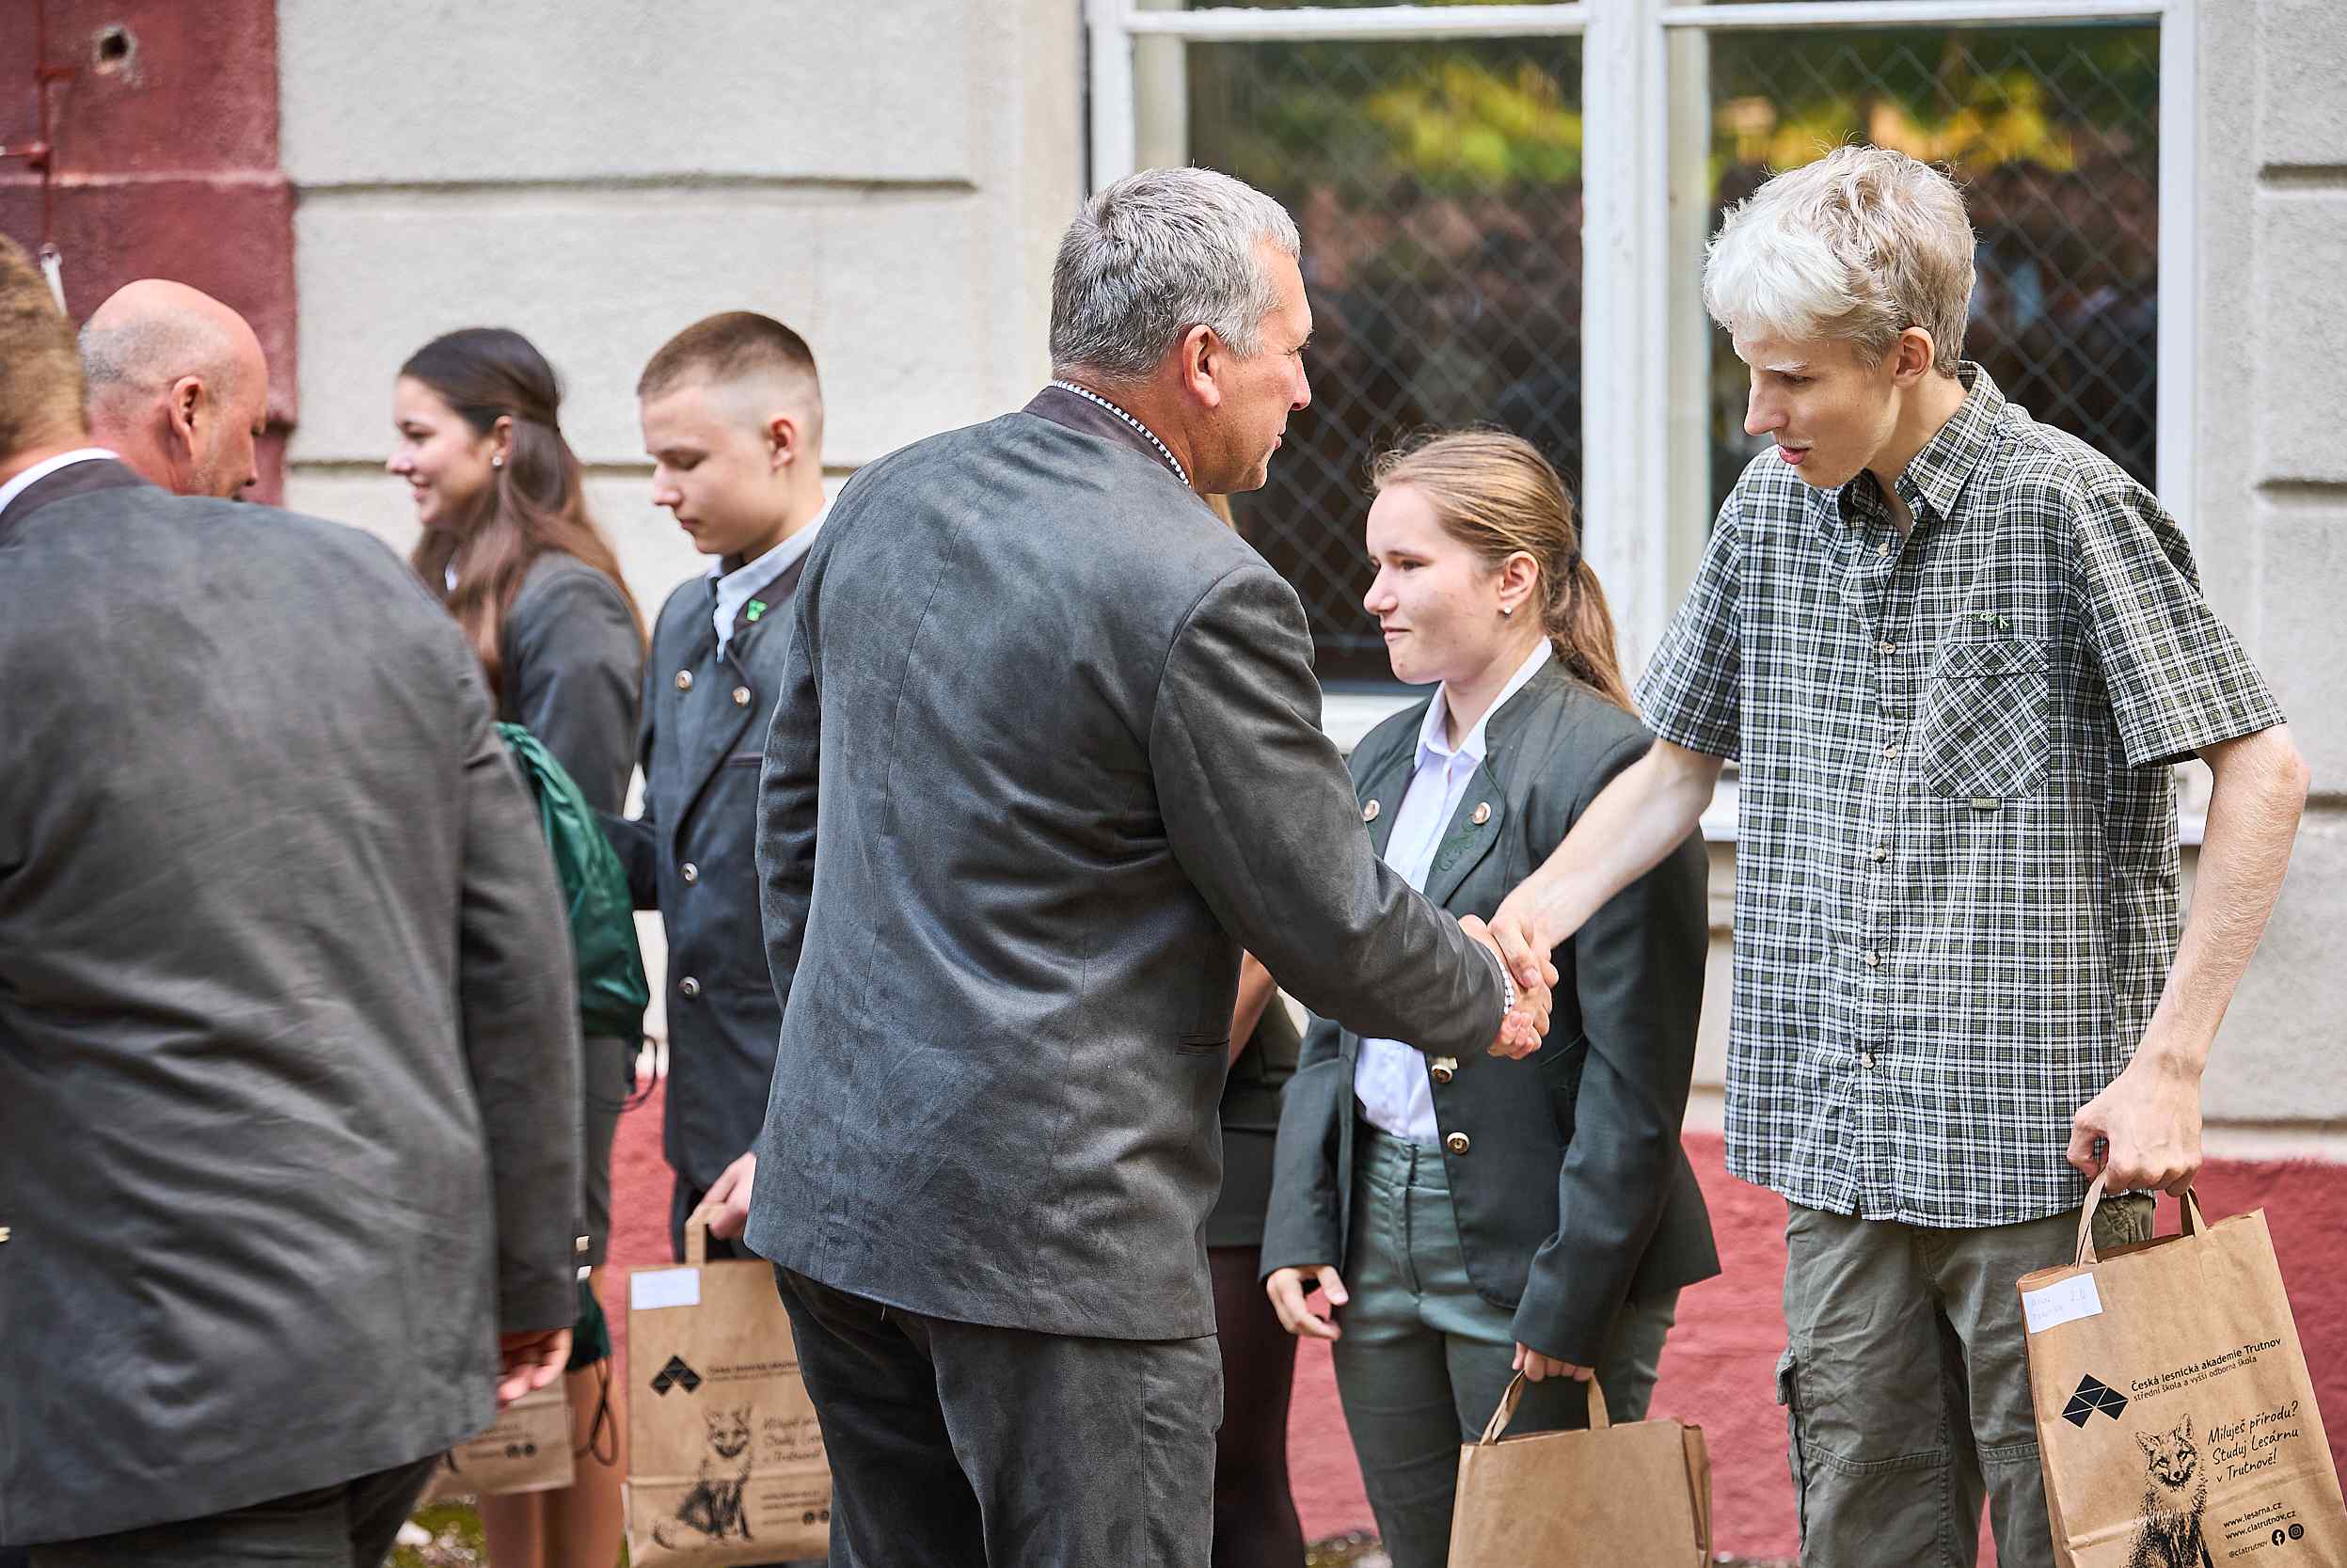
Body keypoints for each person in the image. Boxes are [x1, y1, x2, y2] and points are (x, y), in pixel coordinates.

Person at [708, 166, 1553, 1568]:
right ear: (1202, 359)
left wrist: (838, 1066)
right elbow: (1324, 913)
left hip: (841, 1204)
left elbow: (788, 825)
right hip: (1057, 1250)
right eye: (1289, 350)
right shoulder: (1203, 586)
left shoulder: (887, 496)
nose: (1305, 388)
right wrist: (1482, 990)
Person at [1484, 146, 2309, 1568]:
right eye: (1747, 372)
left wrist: (2172, 1065)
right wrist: (1535, 910)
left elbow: (2265, 770)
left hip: (2046, 1166)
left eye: (1790, 378)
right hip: (1843, 1157)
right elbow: (1676, 764)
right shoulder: (1767, 509)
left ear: (1906, 356)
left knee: (2085, 1538)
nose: (1757, 414)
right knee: (1862, 1536)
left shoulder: (2066, 507)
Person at [0, 232, 582, 1567]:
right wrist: (530, 1272)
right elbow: (514, 951)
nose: (254, 464)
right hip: (392, 1341)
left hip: (147, 1388)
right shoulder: (361, 578)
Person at [1260, 430, 1719, 1568]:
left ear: (1513, 577)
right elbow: (1334, 1016)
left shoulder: (1612, 770)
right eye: (1375, 565)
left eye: (1407, 565)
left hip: (1538, 1235)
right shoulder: (1374, 762)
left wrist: (1574, 1296)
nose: (1374, 596)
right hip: (1374, 1235)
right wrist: (1302, 1221)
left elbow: (1638, 1073)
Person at [388, 326, 645, 1568]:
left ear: (499, 440)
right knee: (501, 1291)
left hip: (560, 1005)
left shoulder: (566, 598)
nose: (398, 461)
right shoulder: (448, 579)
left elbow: (569, 837)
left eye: (416, 434)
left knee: (562, 1289)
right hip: (475, 997)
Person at [604, 312, 828, 1273]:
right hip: (706, 1145)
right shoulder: (687, 618)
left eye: (685, 460)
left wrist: (798, 1135)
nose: (661, 490)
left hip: (821, 1154)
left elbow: (883, 916)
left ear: (781, 440)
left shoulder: (853, 607)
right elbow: (676, 854)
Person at [1197, 497, 1308, 1568]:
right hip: (1107, 1112)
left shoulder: (1229, 633)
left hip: (1225, 1105)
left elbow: (1283, 913)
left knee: (1231, 1464)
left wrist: (1169, 1080)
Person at [77, 277, 269, 499]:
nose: (252, 473)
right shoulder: (263, 521)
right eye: (252, 431)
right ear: (189, 410)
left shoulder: (45, 508)